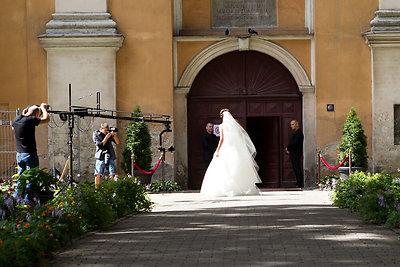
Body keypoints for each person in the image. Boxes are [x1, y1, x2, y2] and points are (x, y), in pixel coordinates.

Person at [200, 109, 261, 197]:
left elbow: (222, 140)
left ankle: (226, 188)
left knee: (224, 168)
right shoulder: (236, 127)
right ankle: (242, 188)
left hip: (225, 149)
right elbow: (241, 138)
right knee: (235, 167)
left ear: (222, 116)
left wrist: (217, 150)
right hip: (235, 150)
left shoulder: (221, 127)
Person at [12, 103, 50, 197]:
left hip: (19, 154)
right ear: (36, 114)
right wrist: (43, 108)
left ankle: (17, 199)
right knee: (32, 178)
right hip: (29, 154)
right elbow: (47, 119)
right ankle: (29, 201)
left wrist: (24, 113)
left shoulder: (17, 119)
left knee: (22, 178)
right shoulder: (30, 120)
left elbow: (13, 128)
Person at [93, 122, 119, 187]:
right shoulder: (96, 134)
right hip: (100, 156)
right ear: (101, 128)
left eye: (107, 130)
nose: (106, 132)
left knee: (112, 173)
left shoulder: (108, 134)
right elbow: (100, 145)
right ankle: (97, 189)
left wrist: (113, 135)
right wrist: (106, 137)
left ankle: (112, 189)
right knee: (98, 173)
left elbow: (117, 142)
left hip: (110, 155)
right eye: (105, 130)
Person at [285, 119, 304, 188]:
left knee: (297, 169)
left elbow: (295, 143)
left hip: (296, 154)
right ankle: (298, 183)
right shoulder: (296, 133)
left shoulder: (299, 133)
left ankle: (299, 184)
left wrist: (288, 148)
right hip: (294, 154)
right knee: (296, 169)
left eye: (293, 124)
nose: (291, 126)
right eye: (290, 125)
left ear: (297, 124)